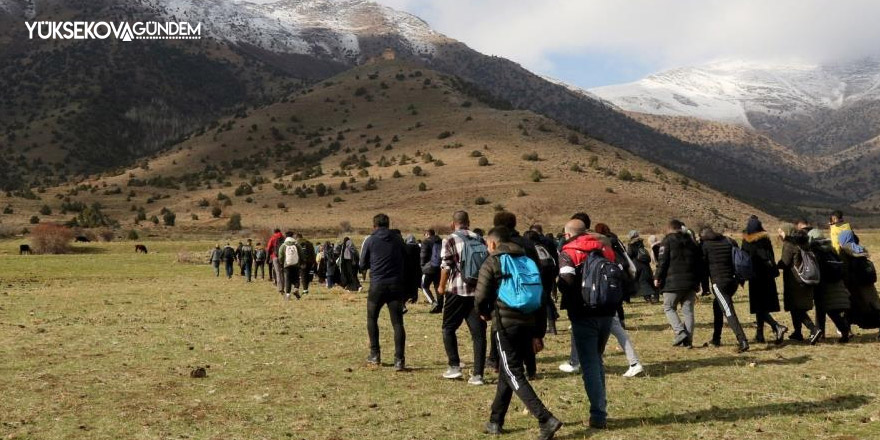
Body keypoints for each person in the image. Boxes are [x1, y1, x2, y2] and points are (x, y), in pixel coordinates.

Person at [475, 226, 562, 438]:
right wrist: (538, 332)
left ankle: (545, 418)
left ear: (494, 243)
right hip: (528, 321)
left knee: (513, 372)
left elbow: (481, 295)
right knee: (508, 372)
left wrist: (484, 313)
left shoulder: (493, 261)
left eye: (488, 244)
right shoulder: (528, 261)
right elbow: (541, 298)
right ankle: (495, 421)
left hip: (505, 325)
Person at [557, 218, 617, 430]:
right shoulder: (604, 248)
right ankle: (601, 405)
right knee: (597, 358)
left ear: (567, 234)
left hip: (582, 312)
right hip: (608, 310)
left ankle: (598, 413)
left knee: (589, 363)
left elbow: (567, 282)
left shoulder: (569, 251)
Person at [437, 210, 488, 385]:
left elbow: (446, 266)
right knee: (478, 334)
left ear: (453, 223)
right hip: (478, 291)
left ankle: (454, 366)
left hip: (457, 290)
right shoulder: (480, 238)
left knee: (448, 328)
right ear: (469, 222)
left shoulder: (450, 239)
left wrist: (441, 286)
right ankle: (478, 375)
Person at [360, 214, 409, 371]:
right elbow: (407, 258)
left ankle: (375, 354)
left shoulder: (370, 240)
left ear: (374, 226)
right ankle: (399, 360)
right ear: (388, 225)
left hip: (377, 285)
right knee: (397, 323)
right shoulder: (398, 239)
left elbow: (362, 263)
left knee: (372, 318)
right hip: (396, 285)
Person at [699, 227, 749, 352]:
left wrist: (705, 288)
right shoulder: (728, 241)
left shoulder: (705, 246)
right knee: (717, 306)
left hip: (719, 283)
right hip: (733, 281)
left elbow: (703, 270)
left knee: (728, 311)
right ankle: (716, 338)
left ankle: (742, 340)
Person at [655, 219, 703, 347]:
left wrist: (657, 277)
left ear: (670, 228)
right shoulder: (692, 242)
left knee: (669, 307)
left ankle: (680, 332)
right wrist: (698, 282)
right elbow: (699, 263)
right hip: (690, 283)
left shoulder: (667, 241)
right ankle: (688, 341)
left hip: (672, 283)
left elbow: (662, 261)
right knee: (688, 312)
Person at [741, 215, 787, 344]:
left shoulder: (746, 241)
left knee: (759, 307)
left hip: (755, 276)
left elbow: (743, 259)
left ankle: (776, 326)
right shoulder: (765, 240)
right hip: (768, 276)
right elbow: (771, 256)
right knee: (761, 306)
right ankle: (760, 334)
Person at [777, 225, 821, 344]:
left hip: (795, 282)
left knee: (796, 308)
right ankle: (797, 332)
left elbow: (785, 262)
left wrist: (774, 266)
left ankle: (813, 329)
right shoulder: (804, 243)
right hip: (806, 279)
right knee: (796, 307)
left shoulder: (789, 245)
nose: (780, 235)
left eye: (781, 233)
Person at [808, 229, 854, 342]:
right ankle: (843, 332)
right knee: (833, 310)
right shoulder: (832, 249)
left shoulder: (815, 251)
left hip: (823, 284)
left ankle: (822, 333)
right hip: (837, 282)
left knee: (824, 310)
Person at [837, 229, 879, 339]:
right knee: (873, 308)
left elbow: (845, 271)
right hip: (868, 285)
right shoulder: (859, 249)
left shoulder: (844, 252)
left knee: (851, 310)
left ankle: (846, 332)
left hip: (853, 287)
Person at [627, 231, 658, 303]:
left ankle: (648, 297)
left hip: (637, 265)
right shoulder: (641, 243)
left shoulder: (631, 244)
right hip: (646, 265)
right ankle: (652, 296)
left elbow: (630, 255)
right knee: (647, 280)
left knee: (642, 282)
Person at [420, 229, 443, 313]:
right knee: (438, 286)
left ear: (427, 234)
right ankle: (440, 306)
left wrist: (422, 266)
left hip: (429, 268)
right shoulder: (440, 241)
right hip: (439, 267)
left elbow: (423, 255)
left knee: (424, 286)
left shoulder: (426, 242)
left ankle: (433, 302)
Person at [277, 232, 302, 300]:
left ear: (286, 236)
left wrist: (281, 263)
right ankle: (296, 288)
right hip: (296, 264)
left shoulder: (283, 245)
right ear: (293, 236)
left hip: (287, 265)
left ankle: (288, 295)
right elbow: (301, 253)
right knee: (296, 278)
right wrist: (301, 262)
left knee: (288, 279)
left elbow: (281, 255)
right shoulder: (297, 244)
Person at [402, 234, 422, 314]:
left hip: (406, 270)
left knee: (404, 288)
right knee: (414, 286)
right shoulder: (418, 248)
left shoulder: (404, 248)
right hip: (416, 270)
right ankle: (413, 297)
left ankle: (403, 304)